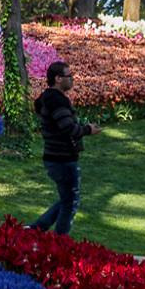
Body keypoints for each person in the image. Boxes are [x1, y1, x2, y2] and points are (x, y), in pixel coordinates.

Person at [30, 60, 100, 235]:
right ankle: (59, 242)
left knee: (67, 199)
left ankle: (36, 230)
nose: (72, 80)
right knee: (70, 202)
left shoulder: (48, 98)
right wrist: (88, 130)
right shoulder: (57, 101)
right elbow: (68, 128)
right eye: (69, 76)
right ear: (58, 79)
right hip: (62, 159)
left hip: (55, 157)